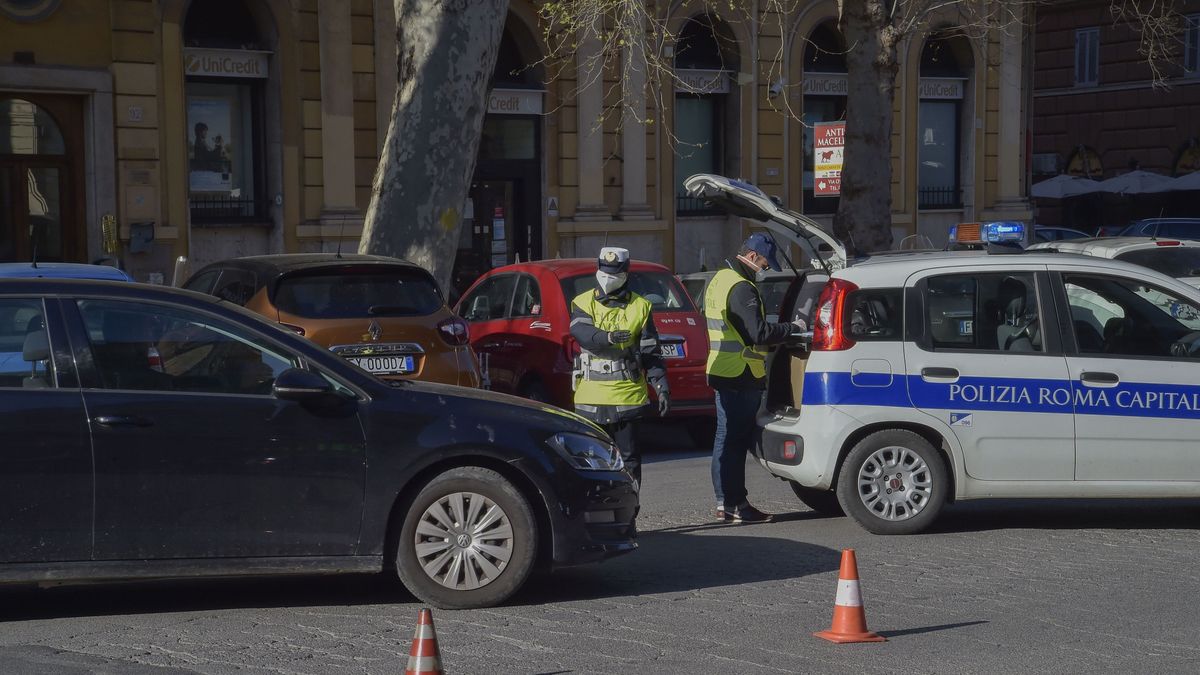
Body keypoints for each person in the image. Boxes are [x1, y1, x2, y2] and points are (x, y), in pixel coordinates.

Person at [705, 233, 805, 523]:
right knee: (734, 443)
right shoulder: (741, 288)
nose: (766, 268)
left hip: (722, 369)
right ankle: (737, 505)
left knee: (724, 440)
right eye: (764, 262)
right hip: (741, 372)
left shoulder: (719, 279)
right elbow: (757, 333)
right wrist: (792, 328)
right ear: (751, 257)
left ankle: (725, 502)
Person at [569, 247, 670, 487]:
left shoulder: (641, 306)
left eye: (613, 273)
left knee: (629, 461)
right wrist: (609, 338)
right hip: (591, 399)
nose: (607, 277)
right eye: (603, 271)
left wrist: (661, 384)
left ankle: (629, 514)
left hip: (628, 399)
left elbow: (650, 352)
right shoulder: (582, 302)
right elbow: (581, 332)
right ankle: (596, 514)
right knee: (590, 461)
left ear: (625, 274)